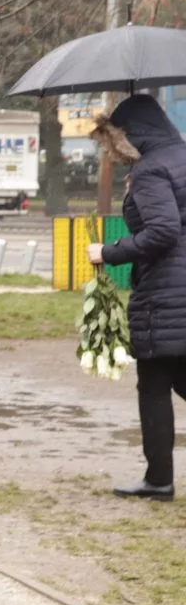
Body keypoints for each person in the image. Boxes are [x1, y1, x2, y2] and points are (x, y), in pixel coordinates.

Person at [86, 94, 186, 500]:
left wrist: (107, 252)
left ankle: (159, 480)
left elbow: (163, 231)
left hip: (167, 291)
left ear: (130, 133)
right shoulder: (178, 158)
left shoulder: (150, 169)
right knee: (175, 377)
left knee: (155, 384)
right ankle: (158, 478)